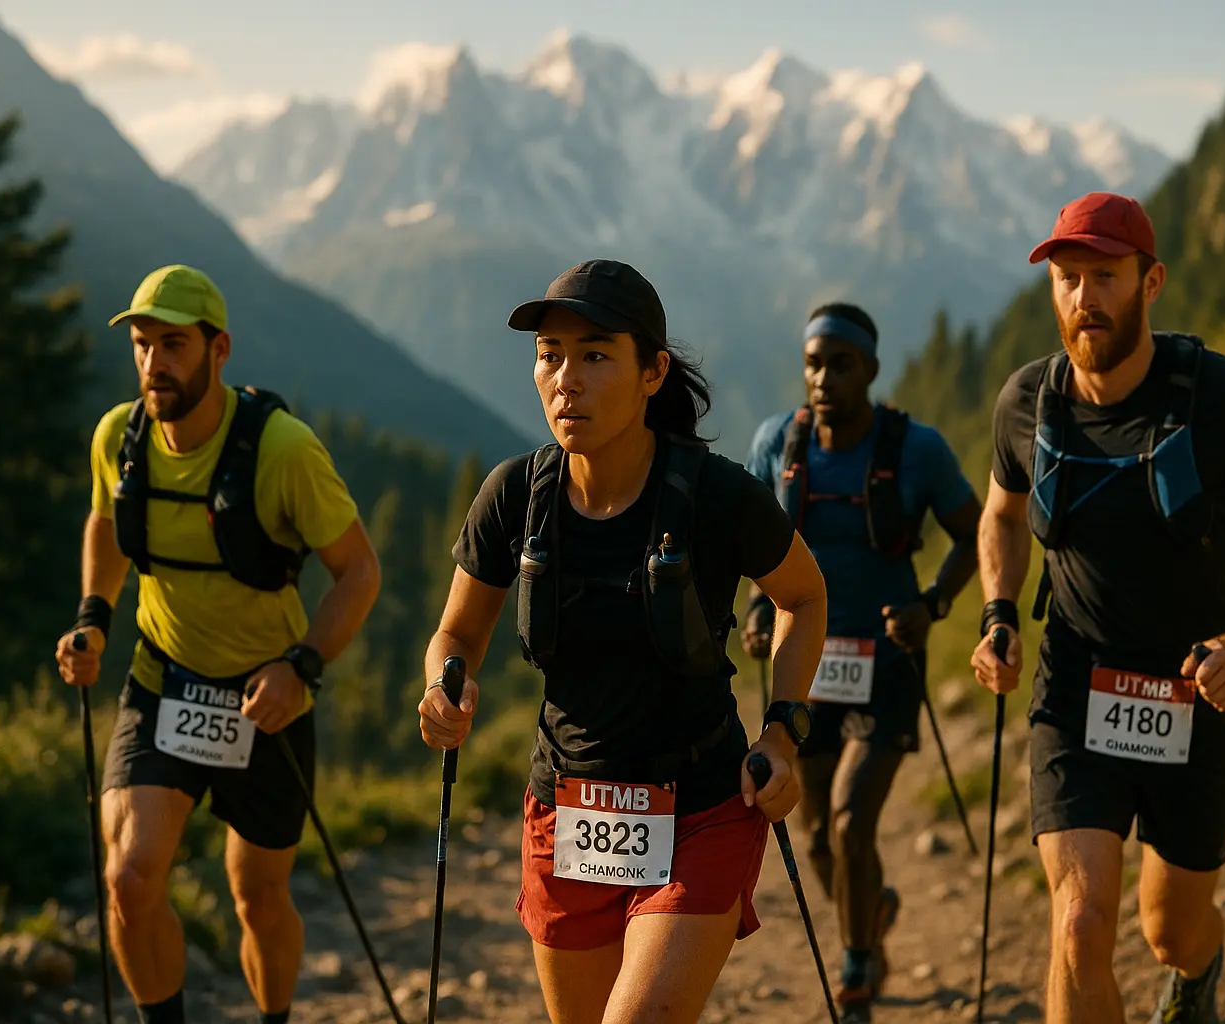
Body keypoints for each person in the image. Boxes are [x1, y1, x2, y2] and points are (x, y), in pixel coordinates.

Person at [417, 258, 828, 1024]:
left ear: (652, 372)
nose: (565, 377)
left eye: (596, 354)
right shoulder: (515, 495)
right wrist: (447, 684)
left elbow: (803, 596)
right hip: (568, 814)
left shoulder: (716, 496)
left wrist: (785, 727)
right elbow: (456, 633)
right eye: (550, 355)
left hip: (703, 810)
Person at [970, 192, 1225, 1024]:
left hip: (1199, 693)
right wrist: (997, 614)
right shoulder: (1027, 401)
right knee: (1079, 921)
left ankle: (1198, 975)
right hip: (1074, 690)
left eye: (1104, 275)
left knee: (1172, 930)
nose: (1083, 297)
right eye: (1066, 278)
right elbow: (1000, 511)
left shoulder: (1221, 396)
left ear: (1151, 280)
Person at [55, 265, 382, 1024]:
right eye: (142, 344)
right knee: (131, 880)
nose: (153, 362)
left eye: (172, 343)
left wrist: (301, 669)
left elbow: (359, 572)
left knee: (258, 897)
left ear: (219, 349)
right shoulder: (120, 438)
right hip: (160, 681)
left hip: (266, 700)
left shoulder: (282, 451)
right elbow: (106, 524)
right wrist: (93, 616)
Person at [741, 302, 983, 1022]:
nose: (824, 377)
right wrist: (759, 610)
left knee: (850, 823)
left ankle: (855, 971)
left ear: (871, 370)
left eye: (840, 364)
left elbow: (975, 535)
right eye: (814, 363)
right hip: (805, 667)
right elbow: (752, 544)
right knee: (816, 835)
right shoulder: (776, 444)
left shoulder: (919, 450)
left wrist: (932, 604)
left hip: (886, 664)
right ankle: (871, 912)